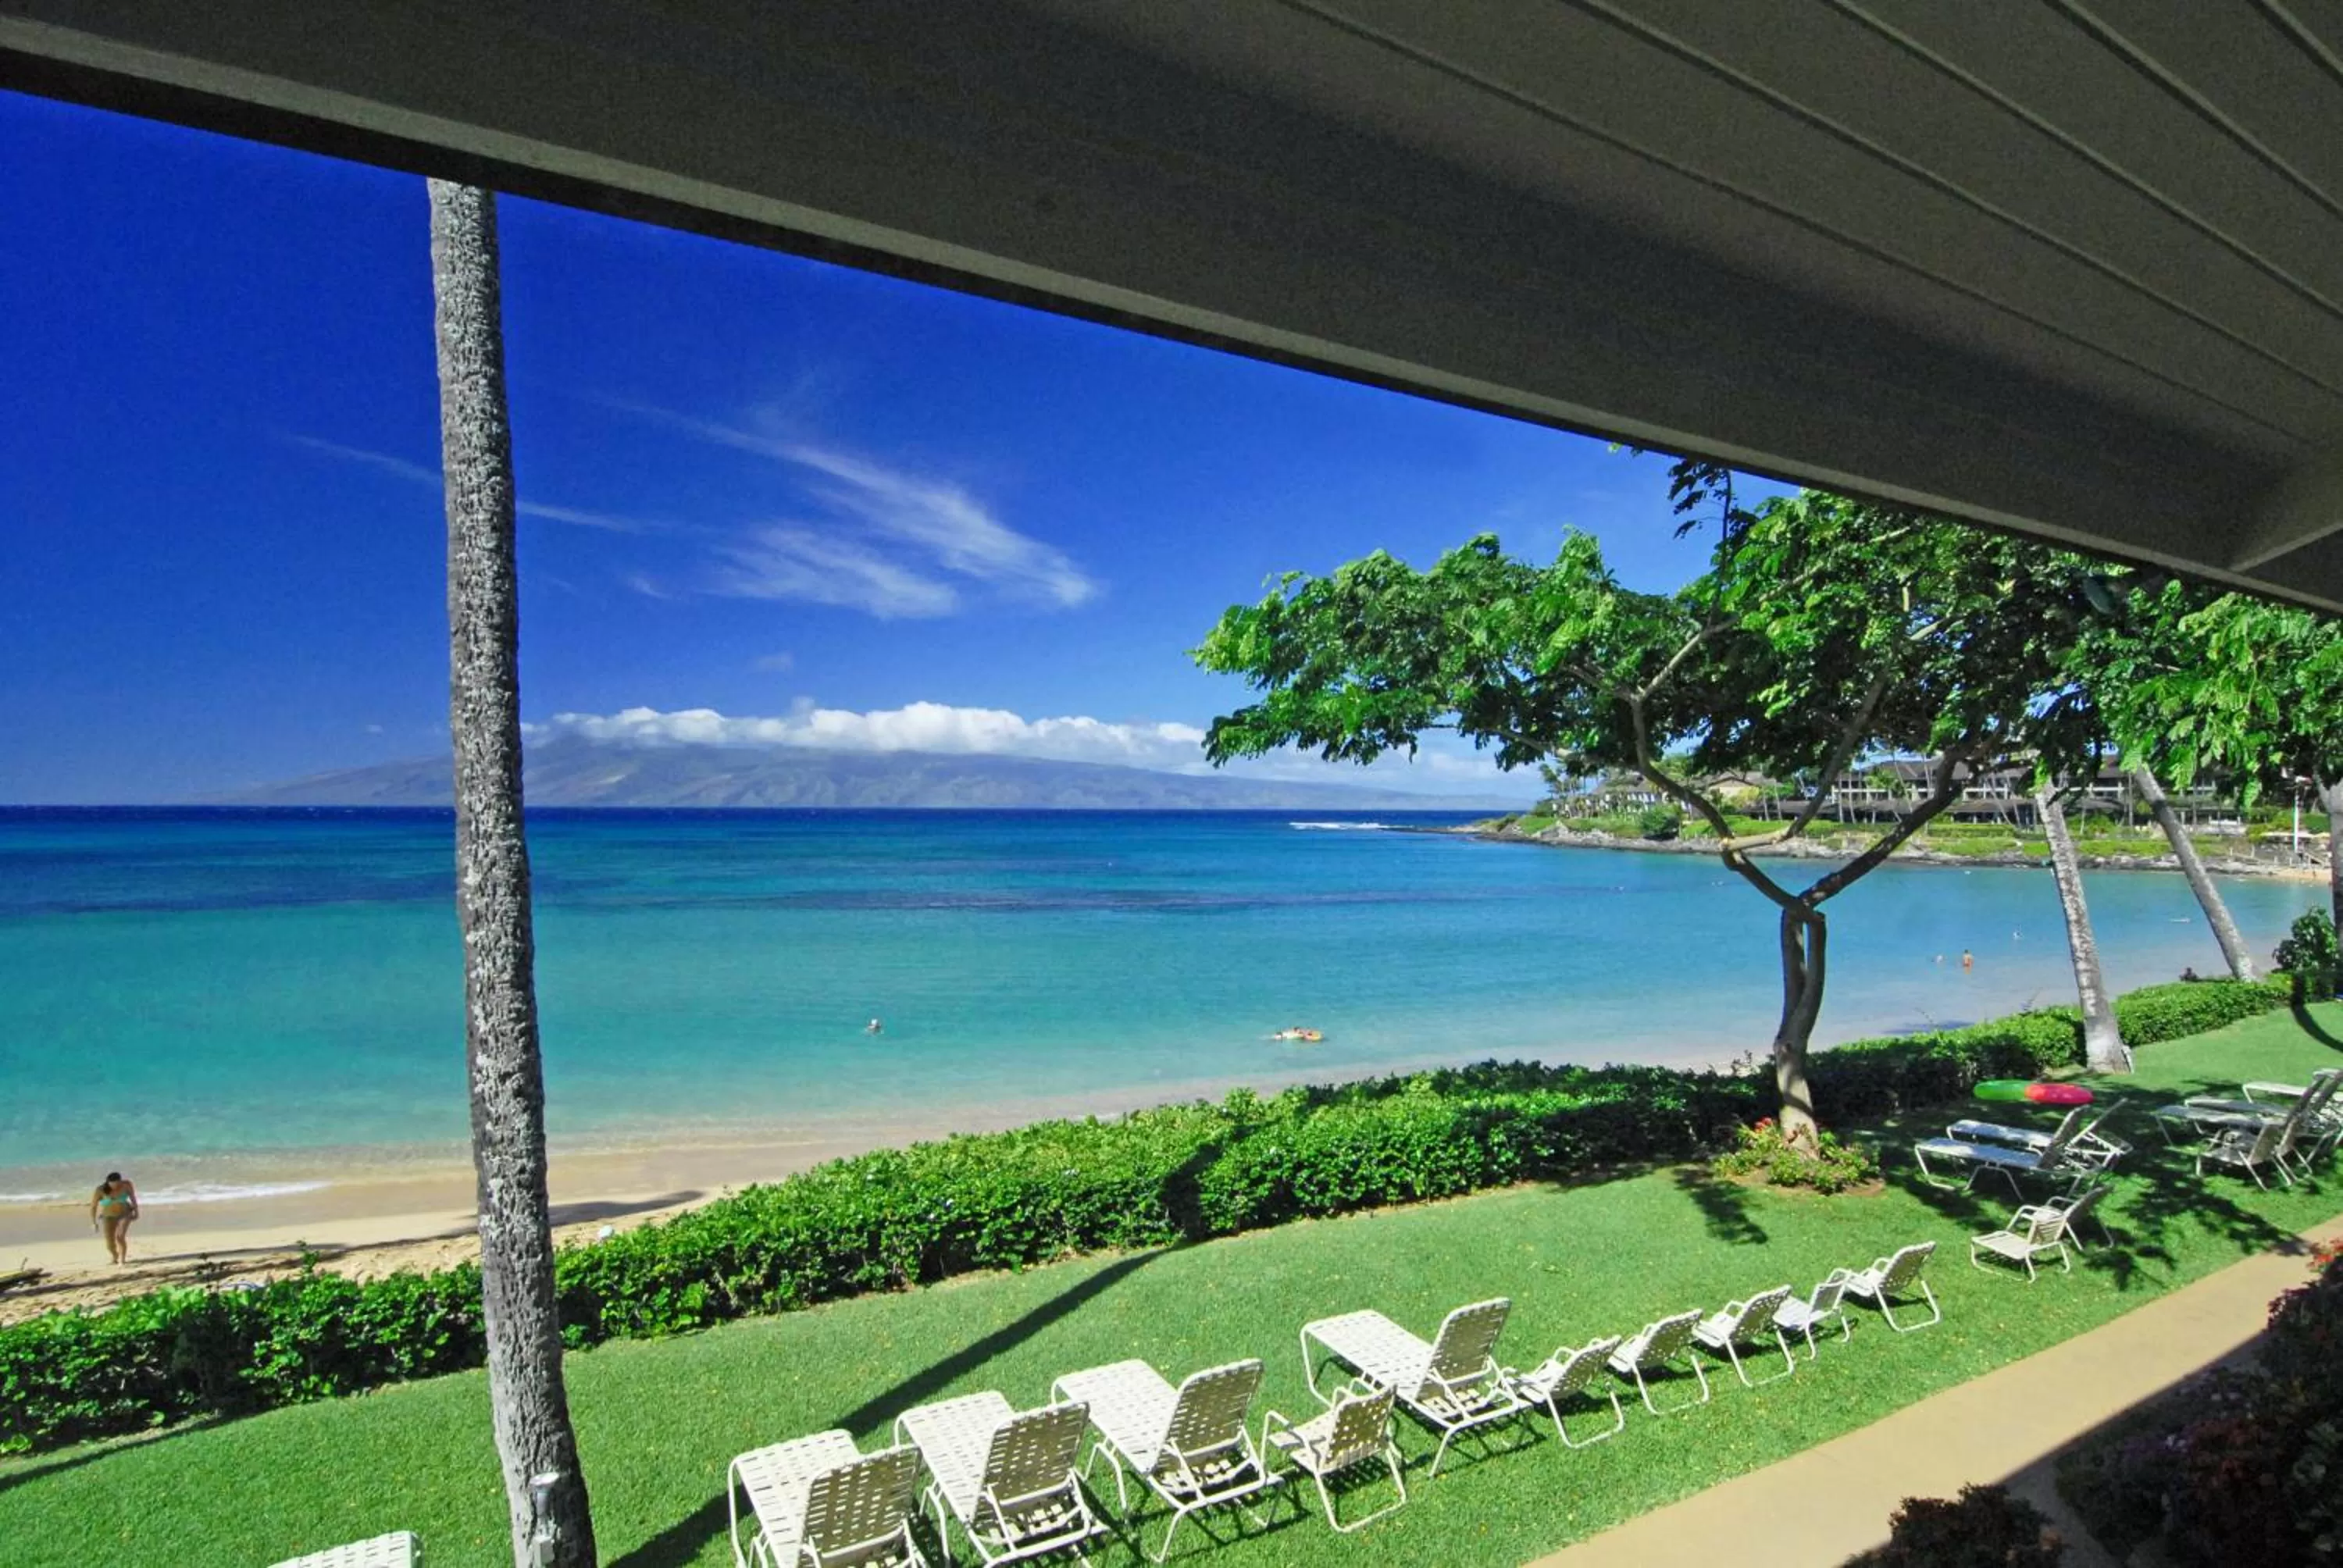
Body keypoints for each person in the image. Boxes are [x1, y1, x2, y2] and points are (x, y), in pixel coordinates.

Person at [90, 1172, 138, 1264]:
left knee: (120, 1237)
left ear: (120, 1181)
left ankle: (122, 1261)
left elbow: (133, 1198)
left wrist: (136, 1212)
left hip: (125, 1214)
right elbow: (93, 1207)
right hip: (108, 1216)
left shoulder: (126, 1185)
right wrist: (93, 1222)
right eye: (113, 1184)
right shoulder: (101, 1190)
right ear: (108, 1183)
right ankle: (115, 1256)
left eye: (117, 1184)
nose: (115, 1186)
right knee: (109, 1244)